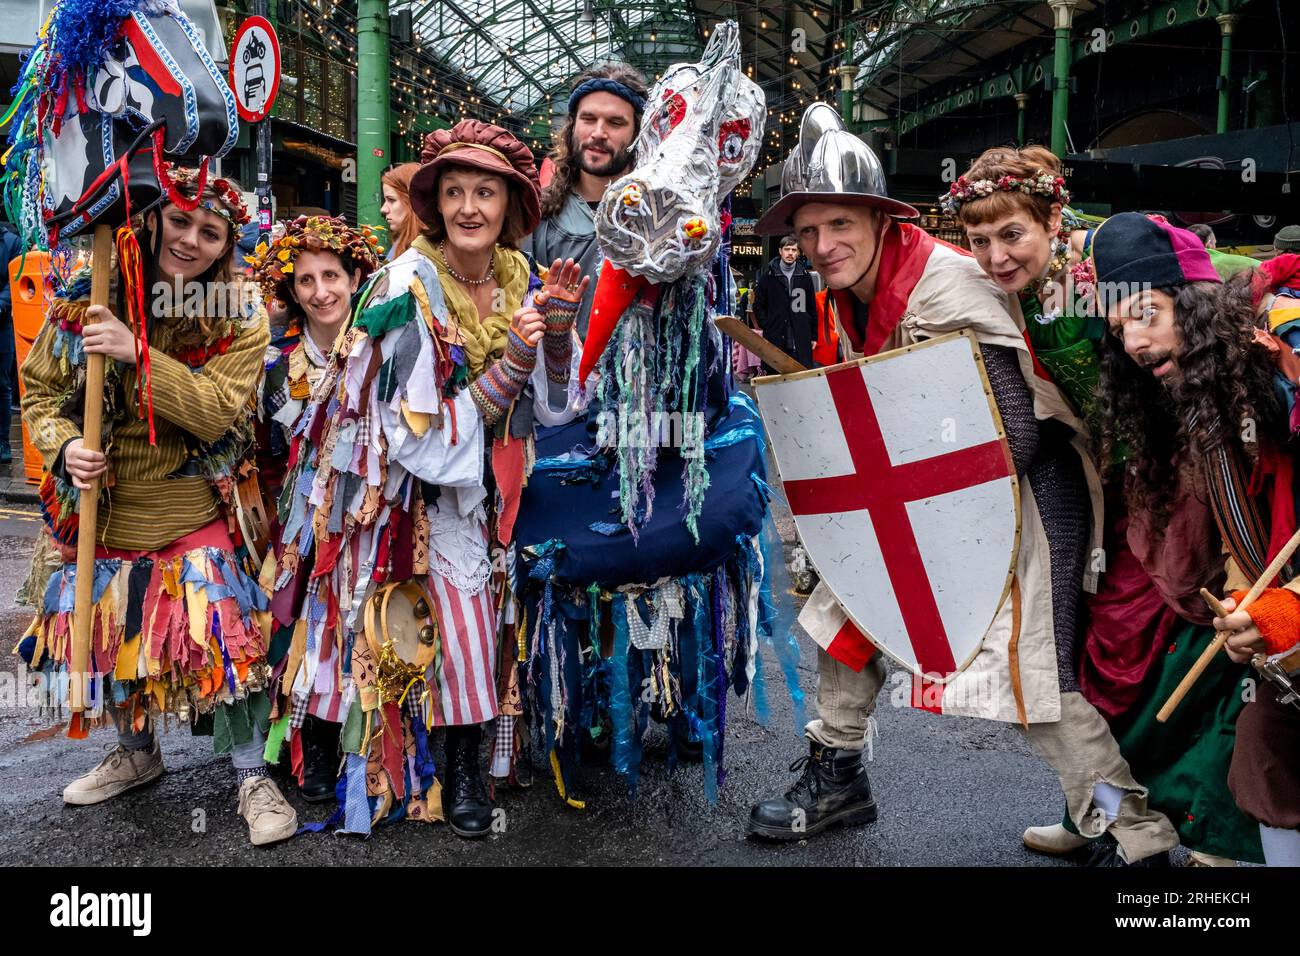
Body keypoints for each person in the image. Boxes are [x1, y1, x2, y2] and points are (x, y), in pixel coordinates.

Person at [746, 105, 1178, 867]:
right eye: (807, 232)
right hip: (936, 497)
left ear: (881, 219)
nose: (820, 246)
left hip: (1027, 493)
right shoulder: (850, 290)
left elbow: (1010, 435)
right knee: (849, 606)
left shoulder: (941, 290)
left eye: (838, 225)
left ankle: (1129, 831)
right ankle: (838, 770)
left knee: (1034, 678)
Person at [269, 120, 585, 838]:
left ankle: (466, 765)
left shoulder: (524, 283)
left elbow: (558, 408)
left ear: (510, 206)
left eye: (486, 192)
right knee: (385, 628)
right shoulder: (406, 285)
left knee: (478, 625)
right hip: (397, 495)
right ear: (435, 205)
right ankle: (379, 760)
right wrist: (503, 375)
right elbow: (409, 434)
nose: (470, 207)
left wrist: (558, 340)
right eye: (455, 192)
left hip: (486, 490)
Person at [949, 147, 1260, 866]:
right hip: (1100, 488)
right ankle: (1096, 813)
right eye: (980, 240)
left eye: (1013, 236)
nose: (996, 256)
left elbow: (1204, 321)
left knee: (1203, 651)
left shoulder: (1117, 262)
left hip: (1179, 474)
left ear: (1055, 219)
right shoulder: (988, 293)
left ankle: (1212, 831)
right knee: (1098, 657)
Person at [17, 167, 294, 846]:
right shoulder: (87, 297)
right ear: (151, 219)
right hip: (104, 515)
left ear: (227, 245)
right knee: (118, 639)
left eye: (210, 232)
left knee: (224, 649)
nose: (191, 240)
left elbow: (215, 412)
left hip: (193, 510)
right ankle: (137, 753)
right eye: (179, 221)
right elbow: (41, 394)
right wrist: (65, 447)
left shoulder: (242, 314)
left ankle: (252, 775)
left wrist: (137, 353)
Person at [1092, 211, 1300, 866]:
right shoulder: (1190, 392)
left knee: (1266, 762)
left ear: (1196, 305)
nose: (1133, 340)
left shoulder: (1276, 386)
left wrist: (1286, 610)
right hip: (1265, 625)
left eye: (1146, 314)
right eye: (1119, 325)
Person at [247, 215, 382, 801]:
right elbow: (262, 451)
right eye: (306, 280)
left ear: (356, 276)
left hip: (371, 519)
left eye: (331, 275)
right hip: (300, 531)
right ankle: (310, 745)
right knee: (303, 635)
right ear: (291, 290)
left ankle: (366, 750)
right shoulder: (274, 366)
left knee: (361, 633)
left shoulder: (383, 349)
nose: (321, 291)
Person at [522, 62, 647, 343]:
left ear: (637, 132)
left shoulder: (656, 217)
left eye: (615, 122)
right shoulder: (537, 216)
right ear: (572, 126)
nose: (599, 132)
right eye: (588, 119)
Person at [751, 236, 816, 370]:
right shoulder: (768, 276)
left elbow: (811, 307)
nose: (790, 253)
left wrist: (813, 335)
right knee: (774, 372)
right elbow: (758, 305)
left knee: (801, 374)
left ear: (798, 253)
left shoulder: (804, 277)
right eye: (787, 249)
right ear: (780, 251)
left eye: (794, 249)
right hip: (775, 333)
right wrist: (767, 324)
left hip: (800, 334)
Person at [0, 219, 22, 463]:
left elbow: (14, 278)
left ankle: (3, 442)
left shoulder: (11, 242)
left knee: (2, 386)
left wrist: (1, 304)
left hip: (2, 324)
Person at [380, 163, 428, 260]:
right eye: (385, 200)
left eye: (391, 200)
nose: (383, 209)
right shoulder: (401, 245)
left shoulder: (427, 252)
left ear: (412, 201)